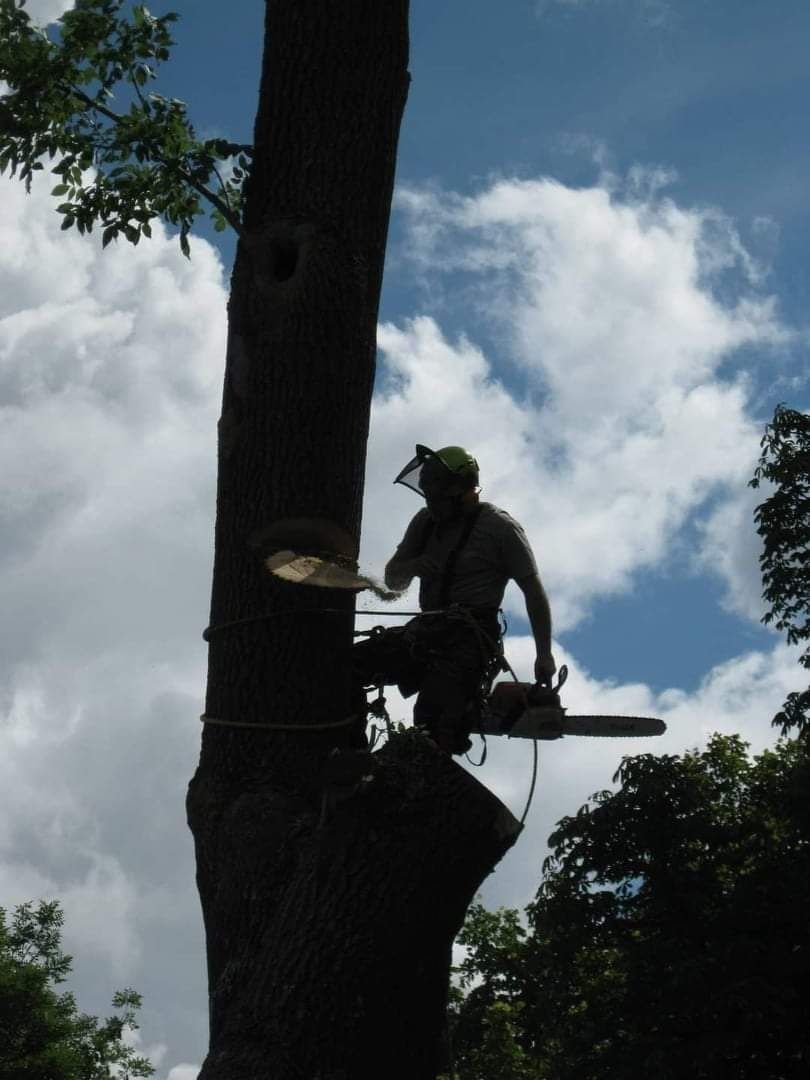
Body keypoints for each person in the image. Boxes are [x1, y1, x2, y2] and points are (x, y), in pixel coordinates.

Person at [352, 444, 556, 754]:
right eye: (428, 495)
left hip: (470, 637)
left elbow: (534, 592)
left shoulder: (500, 528)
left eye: (437, 496)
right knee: (349, 667)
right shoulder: (425, 523)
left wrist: (544, 654)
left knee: (430, 722)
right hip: (427, 629)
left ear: (464, 490)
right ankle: (350, 754)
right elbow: (394, 578)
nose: (431, 504)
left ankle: (450, 729)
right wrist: (416, 566)